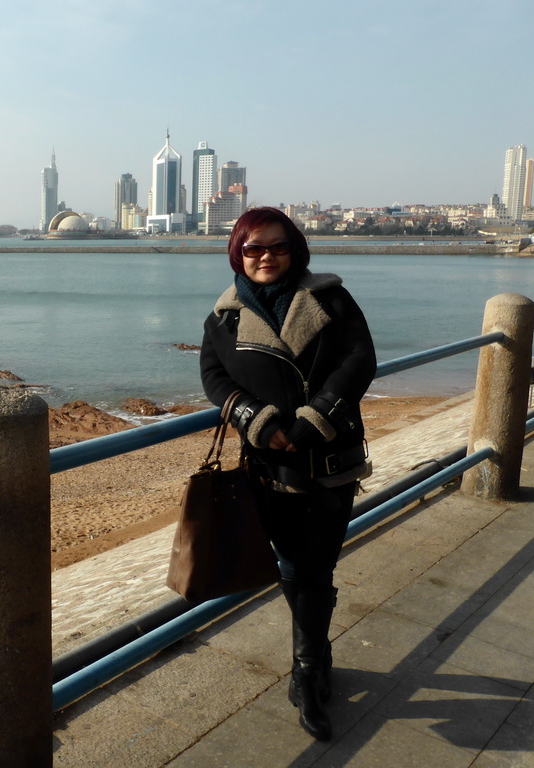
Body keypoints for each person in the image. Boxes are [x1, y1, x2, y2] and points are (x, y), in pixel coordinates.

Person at [199, 207, 376, 742]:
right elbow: (212, 373)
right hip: (270, 464)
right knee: (293, 566)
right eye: (253, 248)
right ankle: (315, 659)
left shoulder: (331, 299)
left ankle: (307, 674)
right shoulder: (223, 317)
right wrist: (254, 417)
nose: (266, 257)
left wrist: (314, 418)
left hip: (328, 458)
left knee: (314, 566)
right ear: (238, 254)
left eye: (276, 246)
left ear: (295, 249)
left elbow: (359, 359)